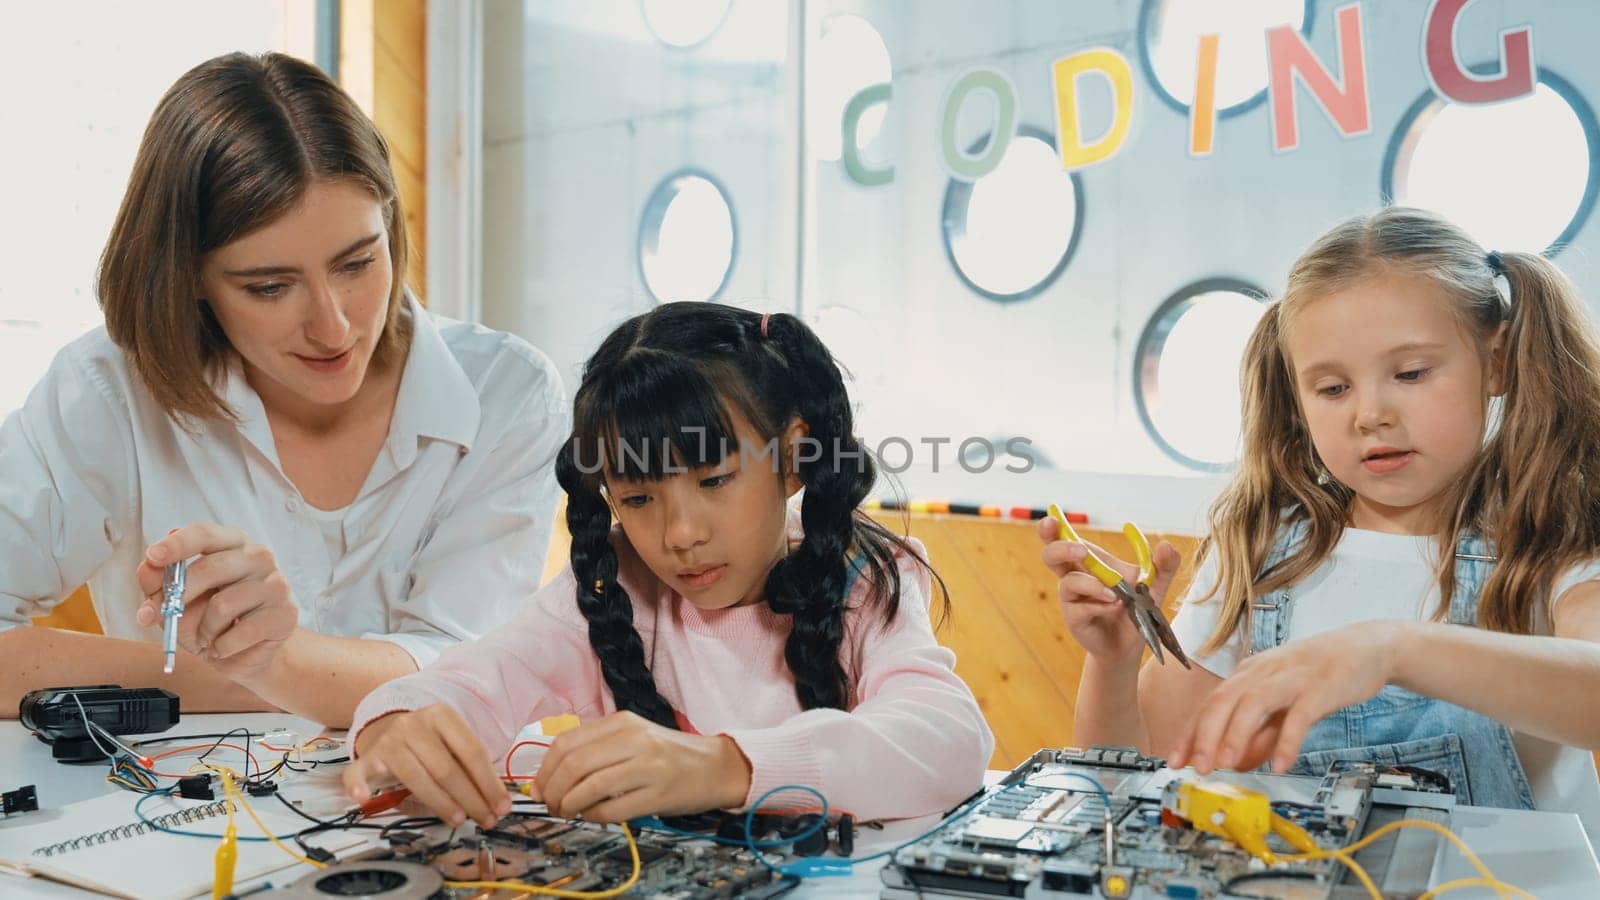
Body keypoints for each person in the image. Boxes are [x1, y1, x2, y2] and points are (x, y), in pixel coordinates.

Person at [0, 52, 567, 727]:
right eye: (269, 286)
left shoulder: (509, 393)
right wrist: (260, 674)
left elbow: (469, 674)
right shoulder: (108, 389)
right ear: (188, 278)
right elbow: (437, 679)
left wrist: (275, 661)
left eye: (358, 262)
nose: (333, 326)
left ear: (390, 225)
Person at [1040, 207, 1600, 841]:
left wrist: (1393, 650)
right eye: (1332, 388)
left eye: (1411, 373)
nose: (1370, 414)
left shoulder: (1556, 538)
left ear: (1496, 360)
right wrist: (1113, 666)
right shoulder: (1262, 552)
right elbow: (1140, 781)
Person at [343, 304, 992, 829]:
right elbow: (478, 679)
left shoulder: (868, 579)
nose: (679, 535)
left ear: (792, 458)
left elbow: (951, 739)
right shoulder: (614, 587)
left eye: (713, 481)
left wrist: (721, 767)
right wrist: (399, 725)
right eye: (638, 498)